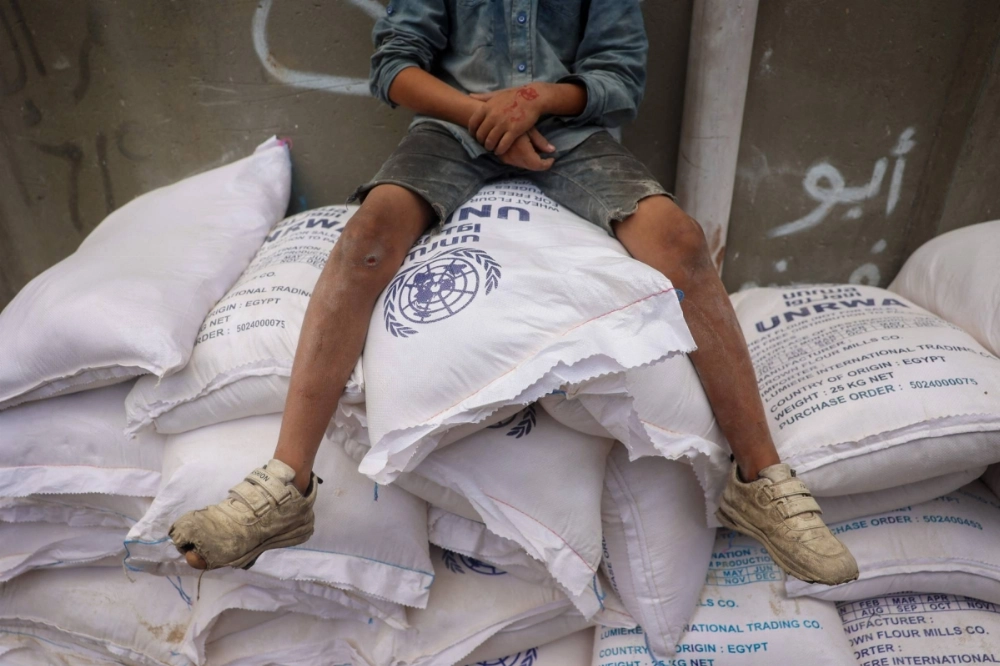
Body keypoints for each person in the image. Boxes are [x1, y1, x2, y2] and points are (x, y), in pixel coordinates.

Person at [168, 0, 858, 585]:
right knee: (365, 238)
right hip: (449, 133)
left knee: (679, 242)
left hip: (571, 139)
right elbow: (394, 67)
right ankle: (285, 485)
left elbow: (619, 77)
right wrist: (480, 114)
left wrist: (534, 102)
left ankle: (761, 482)